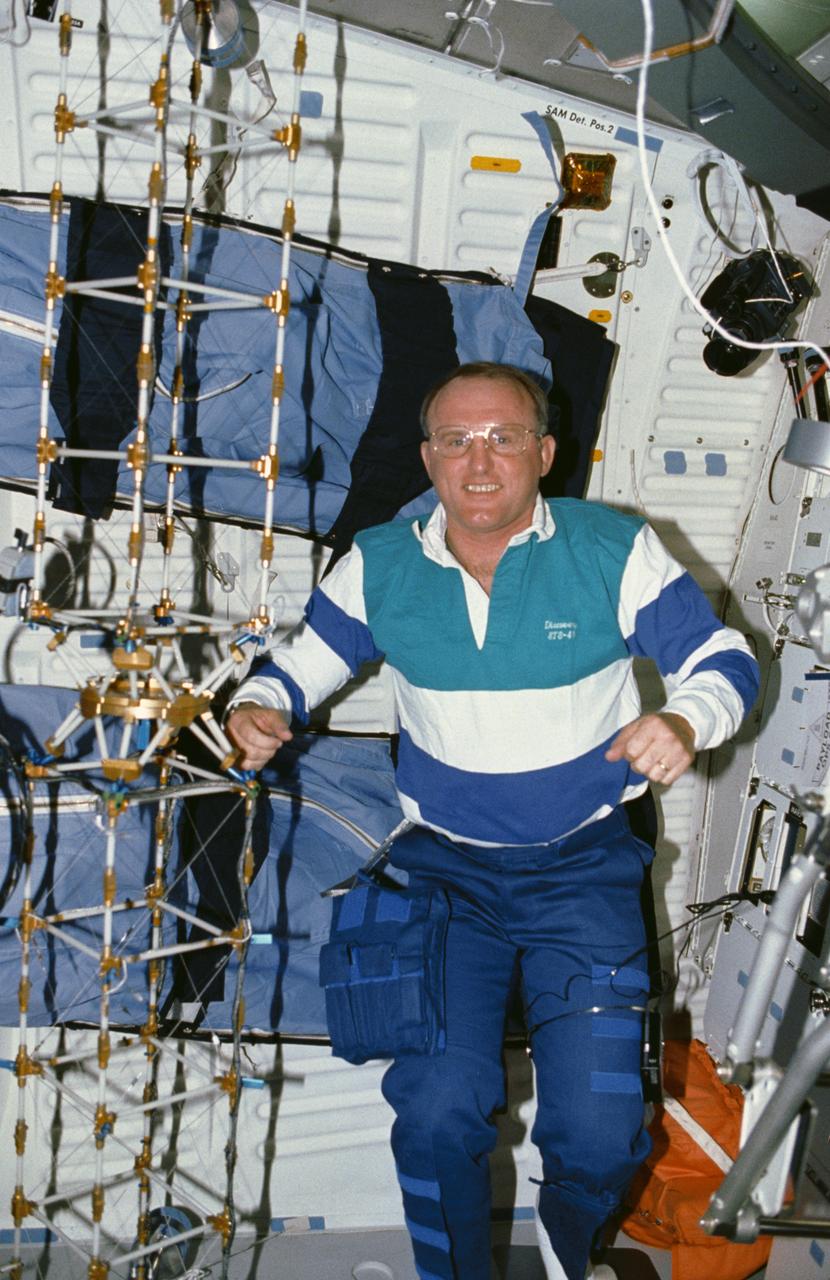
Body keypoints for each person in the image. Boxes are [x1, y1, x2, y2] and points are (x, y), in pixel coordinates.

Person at [226, 362, 759, 1280]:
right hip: (447, 877)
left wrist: (683, 719)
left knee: (598, 1135)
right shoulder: (380, 564)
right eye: (457, 441)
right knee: (437, 1110)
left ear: (544, 453)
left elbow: (722, 657)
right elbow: (300, 666)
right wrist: (260, 705)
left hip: (583, 872)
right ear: (429, 458)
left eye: (504, 438)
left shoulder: (610, 549)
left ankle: (564, 1257)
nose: (480, 462)